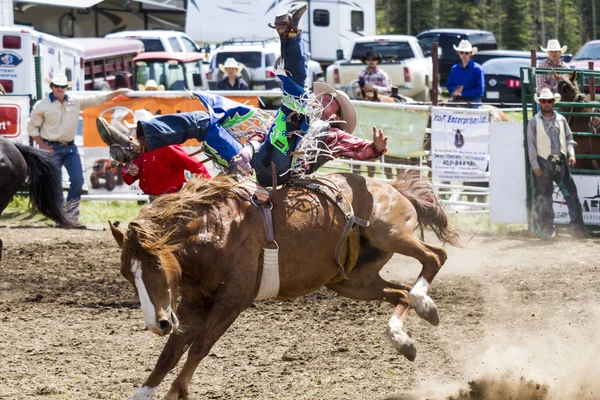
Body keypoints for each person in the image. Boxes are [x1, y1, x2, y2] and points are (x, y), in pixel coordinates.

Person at [96, 4, 388, 187]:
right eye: (324, 97)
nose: (323, 100)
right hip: (256, 161)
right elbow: (261, 136)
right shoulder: (286, 118)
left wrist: (375, 148)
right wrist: (243, 153)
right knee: (204, 120)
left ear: (334, 115)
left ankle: (291, 36)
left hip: (284, 171)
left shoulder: (330, 135)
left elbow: (361, 150)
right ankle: (138, 144)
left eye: (329, 102)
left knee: (295, 104)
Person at [27, 73, 130, 228]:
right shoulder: (42, 106)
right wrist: (42, 145)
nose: (60, 89)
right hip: (52, 147)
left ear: (66, 88)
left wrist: (117, 92)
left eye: (62, 86)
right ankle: (61, 216)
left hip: (69, 147)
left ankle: (70, 215)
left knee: (77, 180)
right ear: (52, 87)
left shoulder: (75, 101)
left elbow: (97, 99)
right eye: (57, 86)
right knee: (55, 183)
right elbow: (32, 127)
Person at [526, 88, 587, 238]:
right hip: (543, 162)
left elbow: (568, 138)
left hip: (560, 161)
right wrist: (535, 165)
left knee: (571, 195)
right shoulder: (534, 122)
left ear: (553, 102)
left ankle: (576, 228)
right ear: (540, 102)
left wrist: (571, 154)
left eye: (549, 101)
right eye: (544, 101)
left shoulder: (561, 119)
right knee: (544, 197)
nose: (547, 104)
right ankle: (547, 230)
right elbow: (531, 145)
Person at [446, 40, 485, 108]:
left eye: (466, 53)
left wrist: (462, 94)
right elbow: (449, 84)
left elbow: (480, 90)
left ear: (470, 54)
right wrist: (454, 91)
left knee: (477, 117)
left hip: (473, 101)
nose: (464, 55)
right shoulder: (454, 69)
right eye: (461, 52)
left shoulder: (478, 69)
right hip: (457, 99)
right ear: (459, 53)